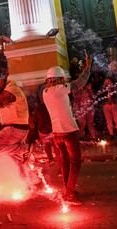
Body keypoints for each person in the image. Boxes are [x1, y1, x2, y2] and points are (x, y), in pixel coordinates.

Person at [42, 54, 92, 206]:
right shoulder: (60, 90)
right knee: (75, 162)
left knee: (64, 162)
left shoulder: (45, 92)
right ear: (59, 78)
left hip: (57, 133)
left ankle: (68, 189)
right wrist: (88, 67)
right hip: (69, 132)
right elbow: (79, 83)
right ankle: (69, 193)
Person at [0, 77, 30, 162]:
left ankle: (26, 149)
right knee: (10, 153)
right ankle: (23, 156)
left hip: (15, 128)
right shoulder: (8, 89)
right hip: (13, 128)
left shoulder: (12, 89)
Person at [101, 78, 117, 143]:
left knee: (116, 120)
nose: (107, 83)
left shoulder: (115, 88)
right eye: (106, 81)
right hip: (106, 106)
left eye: (108, 81)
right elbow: (100, 96)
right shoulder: (103, 89)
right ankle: (111, 134)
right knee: (109, 121)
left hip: (114, 105)